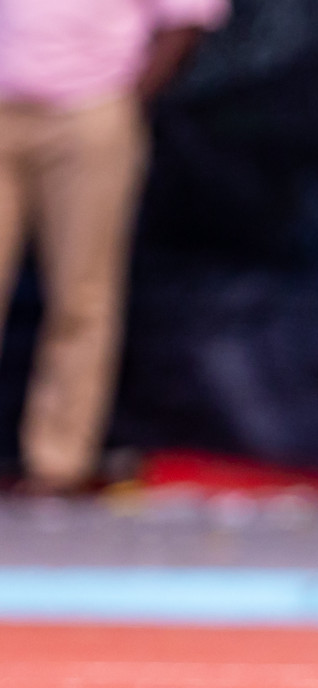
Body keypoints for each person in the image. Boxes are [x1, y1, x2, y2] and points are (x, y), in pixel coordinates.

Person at [0, 0, 228, 493]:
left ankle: (57, 463)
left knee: (81, 294)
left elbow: (188, 19)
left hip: (88, 111)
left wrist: (124, 99)